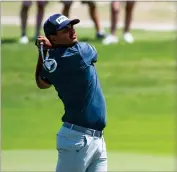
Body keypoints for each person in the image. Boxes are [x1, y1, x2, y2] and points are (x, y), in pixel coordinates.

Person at [35, 13, 107, 172]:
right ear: (53, 38)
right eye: (65, 30)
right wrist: (50, 50)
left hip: (94, 139)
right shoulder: (82, 52)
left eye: (72, 27)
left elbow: (42, 83)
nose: (72, 31)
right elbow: (93, 53)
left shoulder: (52, 61)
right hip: (78, 140)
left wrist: (43, 52)